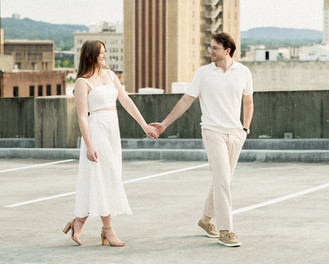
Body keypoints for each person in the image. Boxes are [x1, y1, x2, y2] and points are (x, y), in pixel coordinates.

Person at [151, 32, 254, 247]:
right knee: (223, 181)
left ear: (227, 50)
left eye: (215, 48)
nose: (210, 51)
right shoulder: (203, 73)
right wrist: (164, 124)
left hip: (236, 134)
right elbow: (186, 101)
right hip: (212, 131)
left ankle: (205, 220)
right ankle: (226, 230)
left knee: (221, 180)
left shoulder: (243, 72)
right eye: (210, 47)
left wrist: (245, 128)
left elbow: (248, 102)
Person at [63, 40, 159, 247]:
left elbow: (126, 100)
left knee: (103, 178)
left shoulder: (109, 75)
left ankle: (78, 222)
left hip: (112, 131)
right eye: (101, 53)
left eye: (105, 52)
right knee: (103, 178)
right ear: (91, 55)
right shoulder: (82, 82)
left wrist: (143, 124)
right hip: (95, 132)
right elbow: (82, 117)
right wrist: (89, 145)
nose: (105, 56)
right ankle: (108, 229)